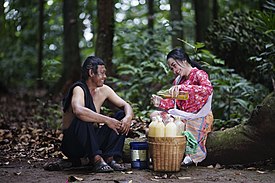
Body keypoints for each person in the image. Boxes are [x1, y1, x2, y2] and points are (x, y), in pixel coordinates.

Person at [44, 56, 134, 172]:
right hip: (74, 144)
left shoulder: (104, 90)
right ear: (91, 72)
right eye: (102, 73)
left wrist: (128, 117)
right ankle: (96, 159)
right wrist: (107, 120)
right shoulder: (79, 89)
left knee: (121, 115)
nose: (105, 77)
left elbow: (126, 105)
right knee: (83, 117)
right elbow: (78, 110)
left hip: (93, 141)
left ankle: (109, 158)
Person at [151, 48, 214, 165]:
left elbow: (208, 89)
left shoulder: (199, 74)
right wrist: (160, 102)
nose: (174, 70)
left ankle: (192, 155)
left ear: (184, 60)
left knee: (186, 125)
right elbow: (175, 104)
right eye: (171, 68)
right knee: (155, 115)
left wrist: (183, 88)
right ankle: (164, 152)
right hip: (182, 114)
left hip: (199, 114)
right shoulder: (178, 81)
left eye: (174, 65)